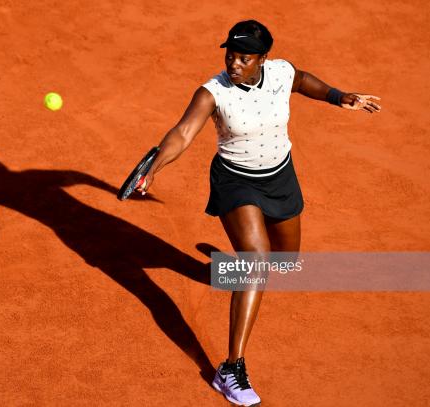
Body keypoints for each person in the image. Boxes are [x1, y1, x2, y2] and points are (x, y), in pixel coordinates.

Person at [136, 20, 381, 406]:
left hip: (280, 178)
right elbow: (183, 133)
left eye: (244, 58)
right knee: (257, 264)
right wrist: (154, 167)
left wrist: (339, 96)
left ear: (262, 60)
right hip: (236, 182)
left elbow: (301, 80)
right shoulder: (213, 92)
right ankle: (230, 369)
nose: (234, 63)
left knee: (285, 264)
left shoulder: (280, 73)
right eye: (230, 55)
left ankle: (223, 271)